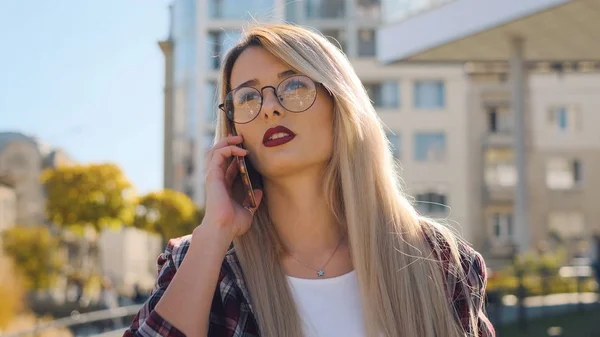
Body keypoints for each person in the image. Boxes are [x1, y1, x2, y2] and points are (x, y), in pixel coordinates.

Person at [123, 24, 494, 337]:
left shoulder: (441, 261)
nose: (270, 107)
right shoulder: (202, 262)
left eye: (295, 86)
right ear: (234, 130)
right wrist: (216, 230)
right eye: (248, 97)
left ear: (341, 105)